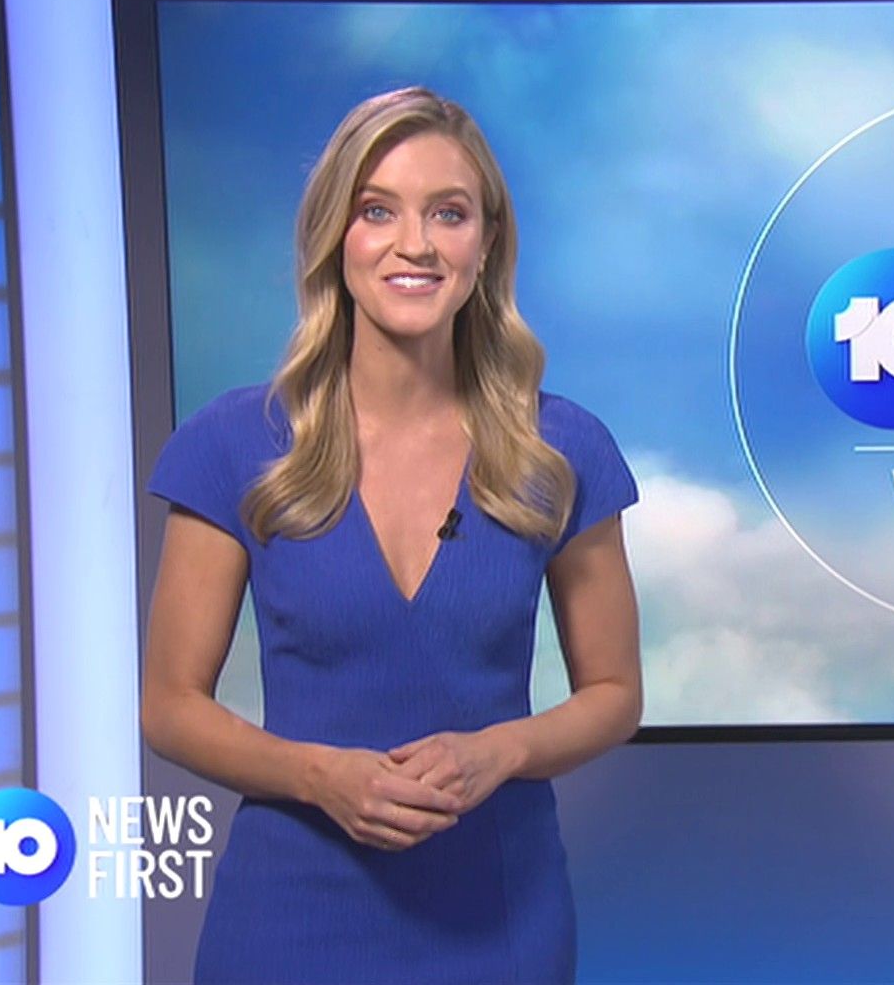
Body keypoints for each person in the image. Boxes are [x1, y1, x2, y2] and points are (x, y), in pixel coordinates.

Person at [140, 86, 641, 984]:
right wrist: (320, 777)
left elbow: (614, 692)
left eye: (448, 214)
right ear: (336, 236)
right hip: (291, 924)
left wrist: (501, 751)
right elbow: (170, 706)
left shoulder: (561, 449)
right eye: (378, 211)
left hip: (500, 921)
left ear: (487, 243)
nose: (416, 244)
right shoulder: (233, 444)